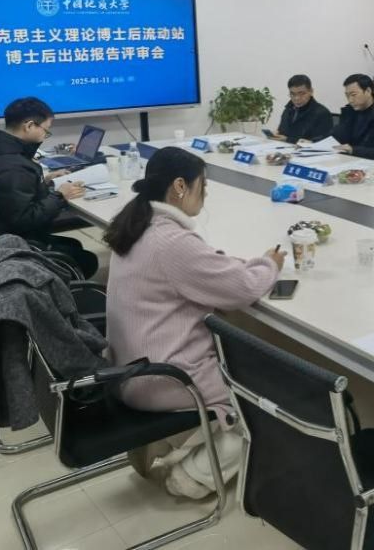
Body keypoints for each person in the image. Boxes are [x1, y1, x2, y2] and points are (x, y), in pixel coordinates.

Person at [104, 147, 286, 498]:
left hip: (127, 368)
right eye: (203, 184)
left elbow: (203, 268)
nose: (206, 193)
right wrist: (270, 264)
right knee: (267, 398)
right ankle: (192, 478)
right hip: (164, 378)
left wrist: (238, 265)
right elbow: (242, 289)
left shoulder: (139, 223)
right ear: (179, 186)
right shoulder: (170, 241)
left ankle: (162, 441)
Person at [0, 97, 98, 278]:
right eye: (46, 130)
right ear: (29, 126)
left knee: (74, 246)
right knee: (87, 261)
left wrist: (44, 182)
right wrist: (59, 196)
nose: (45, 135)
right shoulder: (13, 166)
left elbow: (10, 194)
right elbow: (25, 219)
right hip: (14, 245)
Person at [271, 74, 333, 143]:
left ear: (311, 91)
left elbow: (320, 143)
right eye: (293, 94)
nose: (296, 98)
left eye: (302, 94)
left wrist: (287, 139)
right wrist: (277, 135)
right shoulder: (288, 109)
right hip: (283, 147)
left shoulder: (322, 113)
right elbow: (282, 132)